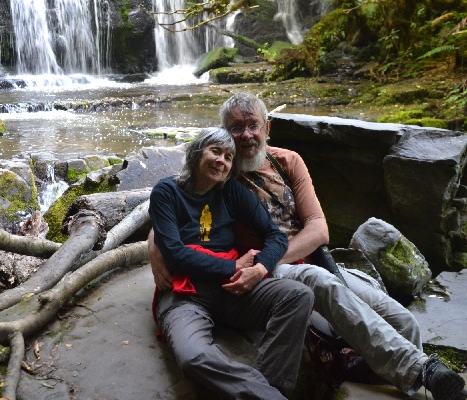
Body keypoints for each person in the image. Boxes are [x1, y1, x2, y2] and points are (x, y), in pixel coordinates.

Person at [149, 93, 467, 400]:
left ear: (267, 127)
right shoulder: (223, 174)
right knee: (317, 283)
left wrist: (266, 261)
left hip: (302, 258)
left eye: (252, 125)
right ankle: (418, 370)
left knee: (404, 322)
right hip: (274, 269)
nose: (245, 136)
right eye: (235, 128)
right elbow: (179, 200)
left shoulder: (287, 161)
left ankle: (398, 379)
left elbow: (318, 228)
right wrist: (155, 246)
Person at [149, 126, 314, 400]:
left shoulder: (231, 192)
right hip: (185, 294)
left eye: (228, 157)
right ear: (196, 153)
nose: (221, 161)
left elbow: (275, 236)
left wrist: (259, 268)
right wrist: (233, 266)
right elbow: (175, 254)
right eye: (215, 151)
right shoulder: (167, 192)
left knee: (298, 296)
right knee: (193, 357)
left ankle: (270, 389)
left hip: (234, 290)